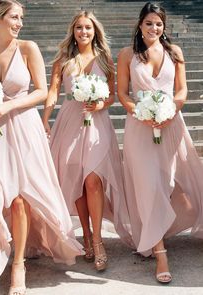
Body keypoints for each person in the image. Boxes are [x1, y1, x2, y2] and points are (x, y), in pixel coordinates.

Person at [0, 1, 84, 294]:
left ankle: (15, 264)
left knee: (20, 200)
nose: (20, 23)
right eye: (14, 17)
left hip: (24, 128)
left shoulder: (28, 48)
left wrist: (8, 105)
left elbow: (42, 92)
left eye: (22, 17)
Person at [117, 1, 203, 284]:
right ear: (140, 24)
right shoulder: (127, 54)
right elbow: (122, 94)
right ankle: (160, 251)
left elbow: (181, 90)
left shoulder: (174, 52)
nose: (154, 28)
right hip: (139, 128)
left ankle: (157, 230)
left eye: (159, 24)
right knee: (149, 184)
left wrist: (170, 111)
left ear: (163, 27)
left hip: (171, 125)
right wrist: (140, 111)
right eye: (149, 22)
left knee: (172, 185)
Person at [43, 10, 132, 272]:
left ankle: (98, 240)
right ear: (73, 30)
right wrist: (44, 118)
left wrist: (101, 102)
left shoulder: (105, 60)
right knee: (78, 183)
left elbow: (114, 95)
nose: (84, 32)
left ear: (95, 31)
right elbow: (53, 92)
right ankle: (85, 234)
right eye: (79, 28)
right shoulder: (63, 60)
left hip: (98, 123)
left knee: (93, 180)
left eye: (88, 28)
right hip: (70, 120)